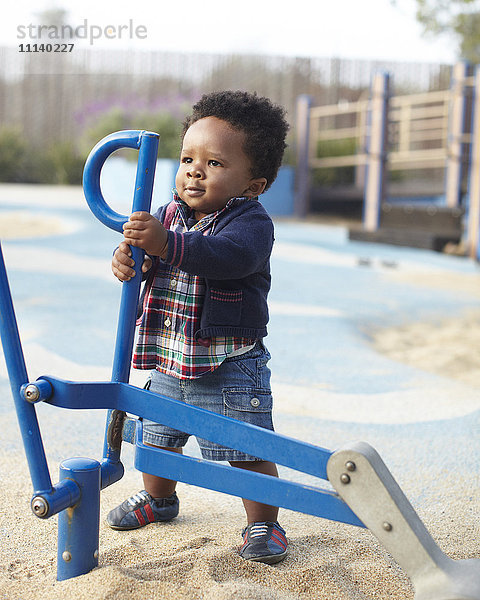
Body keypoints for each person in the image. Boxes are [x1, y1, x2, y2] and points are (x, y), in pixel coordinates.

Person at [107, 90, 289, 564]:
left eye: (214, 163)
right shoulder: (167, 216)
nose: (194, 171)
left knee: (244, 444)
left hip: (227, 363)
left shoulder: (250, 223)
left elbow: (228, 258)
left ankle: (263, 523)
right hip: (171, 355)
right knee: (157, 435)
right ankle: (160, 498)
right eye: (188, 158)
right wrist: (132, 260)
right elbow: (152, 262)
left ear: (253, 184)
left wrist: (166, 244)